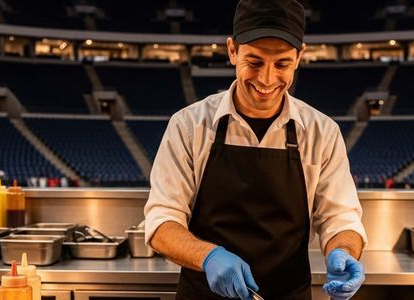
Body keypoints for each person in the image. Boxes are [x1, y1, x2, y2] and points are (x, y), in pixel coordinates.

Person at [143, 1, 367, 299]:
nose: (267, 79)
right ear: (232, 50)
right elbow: (161, 220)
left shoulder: (321, 132)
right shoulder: (188, 125)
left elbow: (340, 218)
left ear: (299, 56)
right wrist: (208, 257)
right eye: (255, 62)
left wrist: (344, 251)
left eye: (282, 64)